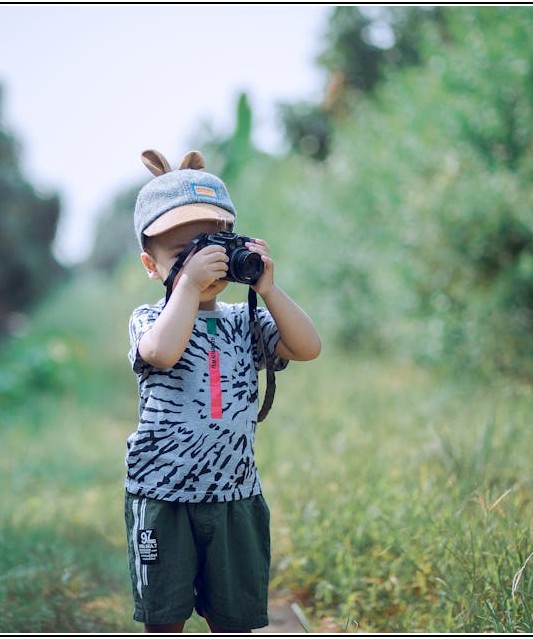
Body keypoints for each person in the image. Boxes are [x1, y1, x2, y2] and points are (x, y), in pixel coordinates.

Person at [124, 149, 321, 633]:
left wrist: (268, 288)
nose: (203, 266)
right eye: (183, 255)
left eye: (212, 248)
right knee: (164, 619)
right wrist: (188, 288)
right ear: (151, 265)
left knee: (236, 619)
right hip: (162, 494)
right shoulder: (150, 319)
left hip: (235, 494)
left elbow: (308, 347)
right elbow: (162, 352)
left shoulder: (244, 319)